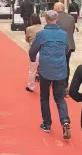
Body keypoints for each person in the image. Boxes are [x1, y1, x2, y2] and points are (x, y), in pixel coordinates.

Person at [29, 10, 71, 139]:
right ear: (57, 19)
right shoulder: (63, 34)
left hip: (46, 69)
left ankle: (47, 123)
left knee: (44, 96)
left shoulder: (41, 34)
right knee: (60, 97)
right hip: (60, 69)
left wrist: (32, 59)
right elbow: (67, 49)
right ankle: (65, 121)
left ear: (45, 20)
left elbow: (33, 50)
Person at [53, 2, 76, 92]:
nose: (54, 10)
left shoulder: (55, 18)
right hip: (69, 45)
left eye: (55, 8)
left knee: (57, 64)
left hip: (58, 45)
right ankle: (65, 84)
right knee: (66, 64)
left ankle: (58, 83)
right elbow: (72, 30)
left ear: (58, 8)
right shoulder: (71, 18)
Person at [25, 13, 43, 93]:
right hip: (43, 49)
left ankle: (31, 86)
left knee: (32, 69)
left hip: (33, 50)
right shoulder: (43, 27)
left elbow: (27, 39)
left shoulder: (29, 29)